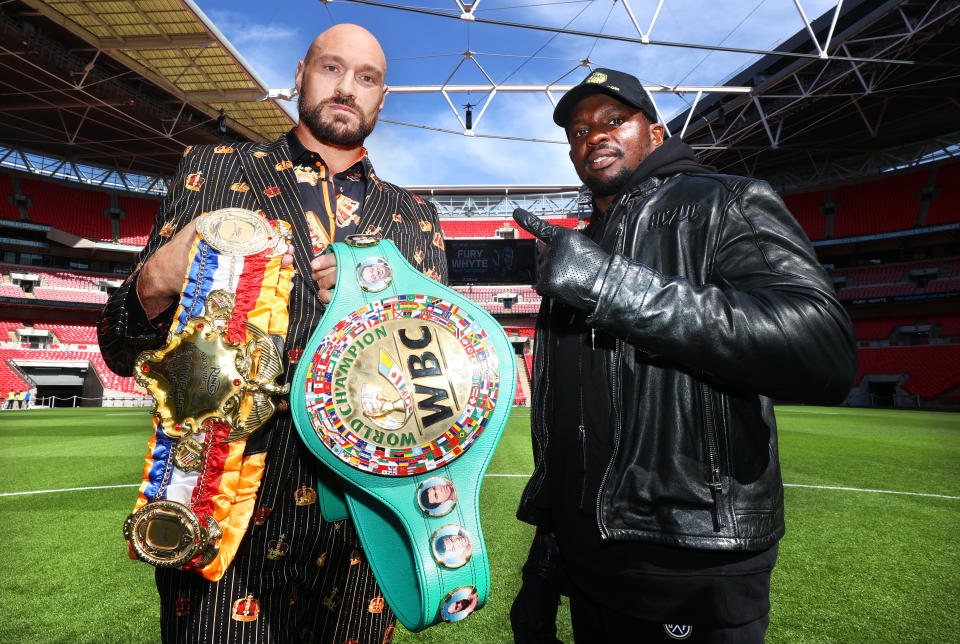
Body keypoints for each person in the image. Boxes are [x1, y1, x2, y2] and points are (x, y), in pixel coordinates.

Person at [97, 24, 448, 644]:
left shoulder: (416, 220)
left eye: (366, 78)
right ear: (298, 76)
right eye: (331, 68)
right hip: (226, 511)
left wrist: (383, 285)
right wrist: (153, 279)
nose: (346, 88)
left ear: (382, 99)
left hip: (368, 526)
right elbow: (124, 354)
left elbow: (438, 383)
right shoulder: (212, 171)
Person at [509, 68, 857, 643]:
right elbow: (574, 419)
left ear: (657, 132)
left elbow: (823, 348)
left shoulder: (725, 201)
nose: (593, 136)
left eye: (614, 120)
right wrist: (548, 556)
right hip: (588, 560)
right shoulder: (580, 248)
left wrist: (609, 287)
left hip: (693, 559)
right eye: (577, 131)